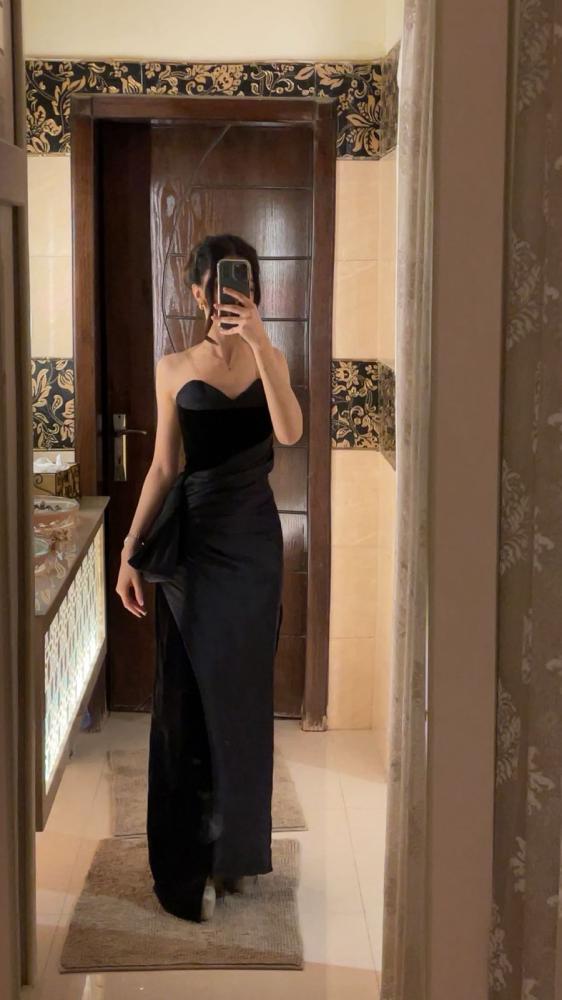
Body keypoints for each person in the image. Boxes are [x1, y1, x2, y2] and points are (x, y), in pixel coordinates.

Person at [115, 233, 303, 923]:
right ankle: (188, 863)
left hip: (253, 549)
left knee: (245, 703)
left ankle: (238, 856)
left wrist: (260, 343)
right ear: (197, 293)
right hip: (192, 551)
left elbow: (290, 433)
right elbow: (165, 467)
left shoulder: (271, 358)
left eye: (244, 284)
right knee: (186, 702)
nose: (231, 296)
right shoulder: (173, 368)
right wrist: (130, 551)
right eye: (220, 286)